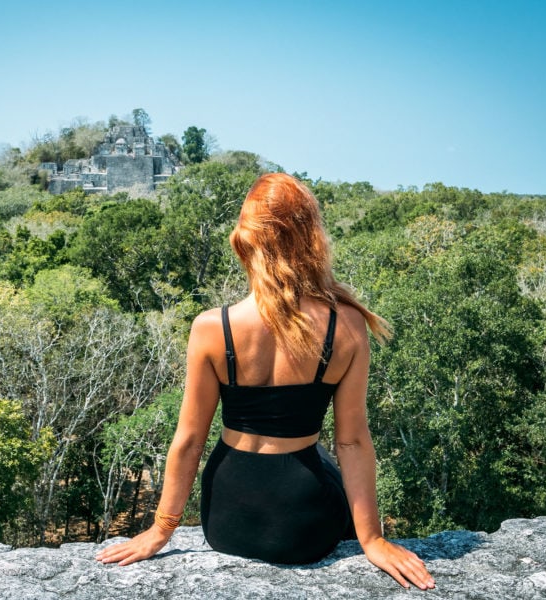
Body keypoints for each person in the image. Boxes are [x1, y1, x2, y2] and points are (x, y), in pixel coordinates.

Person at [96, 173, 435, 590]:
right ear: (311, 238)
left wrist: (160, 530)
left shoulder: (211, 328)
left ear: (245, 241)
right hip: (305, 525)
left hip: (226, 519)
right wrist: (373, 539)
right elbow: (352, 442)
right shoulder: (346, 325)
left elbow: (188, 441)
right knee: (327, 458)